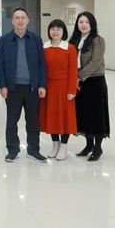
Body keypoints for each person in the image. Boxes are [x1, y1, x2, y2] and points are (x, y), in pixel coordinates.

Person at [0, 7, 48, 163]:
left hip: (32, 87)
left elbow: (41, 63)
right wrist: (3, 86)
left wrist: (42, 85)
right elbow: (0, 65)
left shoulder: (36, 39)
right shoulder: (4, 40)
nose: (20, 20)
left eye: (22, 17)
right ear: (12, 21)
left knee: (33, 121)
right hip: (13, 88)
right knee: (12, 120)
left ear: (27, 20)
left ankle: (33, 150)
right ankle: (12, 150)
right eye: (17, 18)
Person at [69, 12, 109, 162]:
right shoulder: (74, 41)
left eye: (87, 22)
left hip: (94, 81)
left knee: (96, 115)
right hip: (79, 83)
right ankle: (89, 145)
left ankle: (98, 147)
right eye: (81, 22)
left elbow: (95, 62)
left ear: (92, 24)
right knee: (84, 114)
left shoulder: (98, 40)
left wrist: (78, 77)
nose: (84, 25)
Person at [40, 19, 78, 161]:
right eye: (53, 29)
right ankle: (55, 145)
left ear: (63, 31)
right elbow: (41, 69)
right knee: (51, 116)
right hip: (48, 87)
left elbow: (73, 70)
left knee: (65, 116)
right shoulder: (44, 47)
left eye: (58, 29)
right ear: (49, 31)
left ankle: (64, 146)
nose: (55, 32)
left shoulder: (70, 48)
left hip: (64, 87)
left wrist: (72, 90)